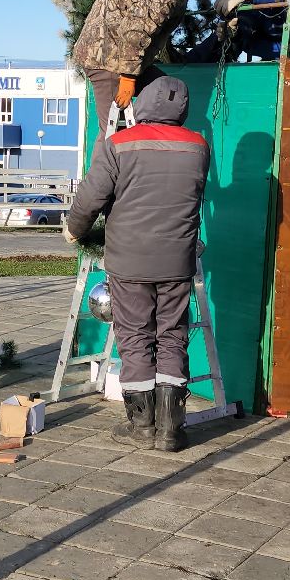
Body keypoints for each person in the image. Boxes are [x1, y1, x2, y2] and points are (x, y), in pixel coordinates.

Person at [63, 77, 209, 453]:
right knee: (172, 336)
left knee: (135, 337)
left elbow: (91, 195)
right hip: (177, 259)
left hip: (129, 260)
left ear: (142, 104)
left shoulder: (119, 144)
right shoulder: (198, 147)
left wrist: (74, 230)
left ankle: (142, 425)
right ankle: (171, 429)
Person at [71, 0, 217, 118]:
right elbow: (136, 29)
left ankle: (150, 143)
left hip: (119, 54)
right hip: (107, 59)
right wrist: (129, 77)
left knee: (168, 95)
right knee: (112, 132)